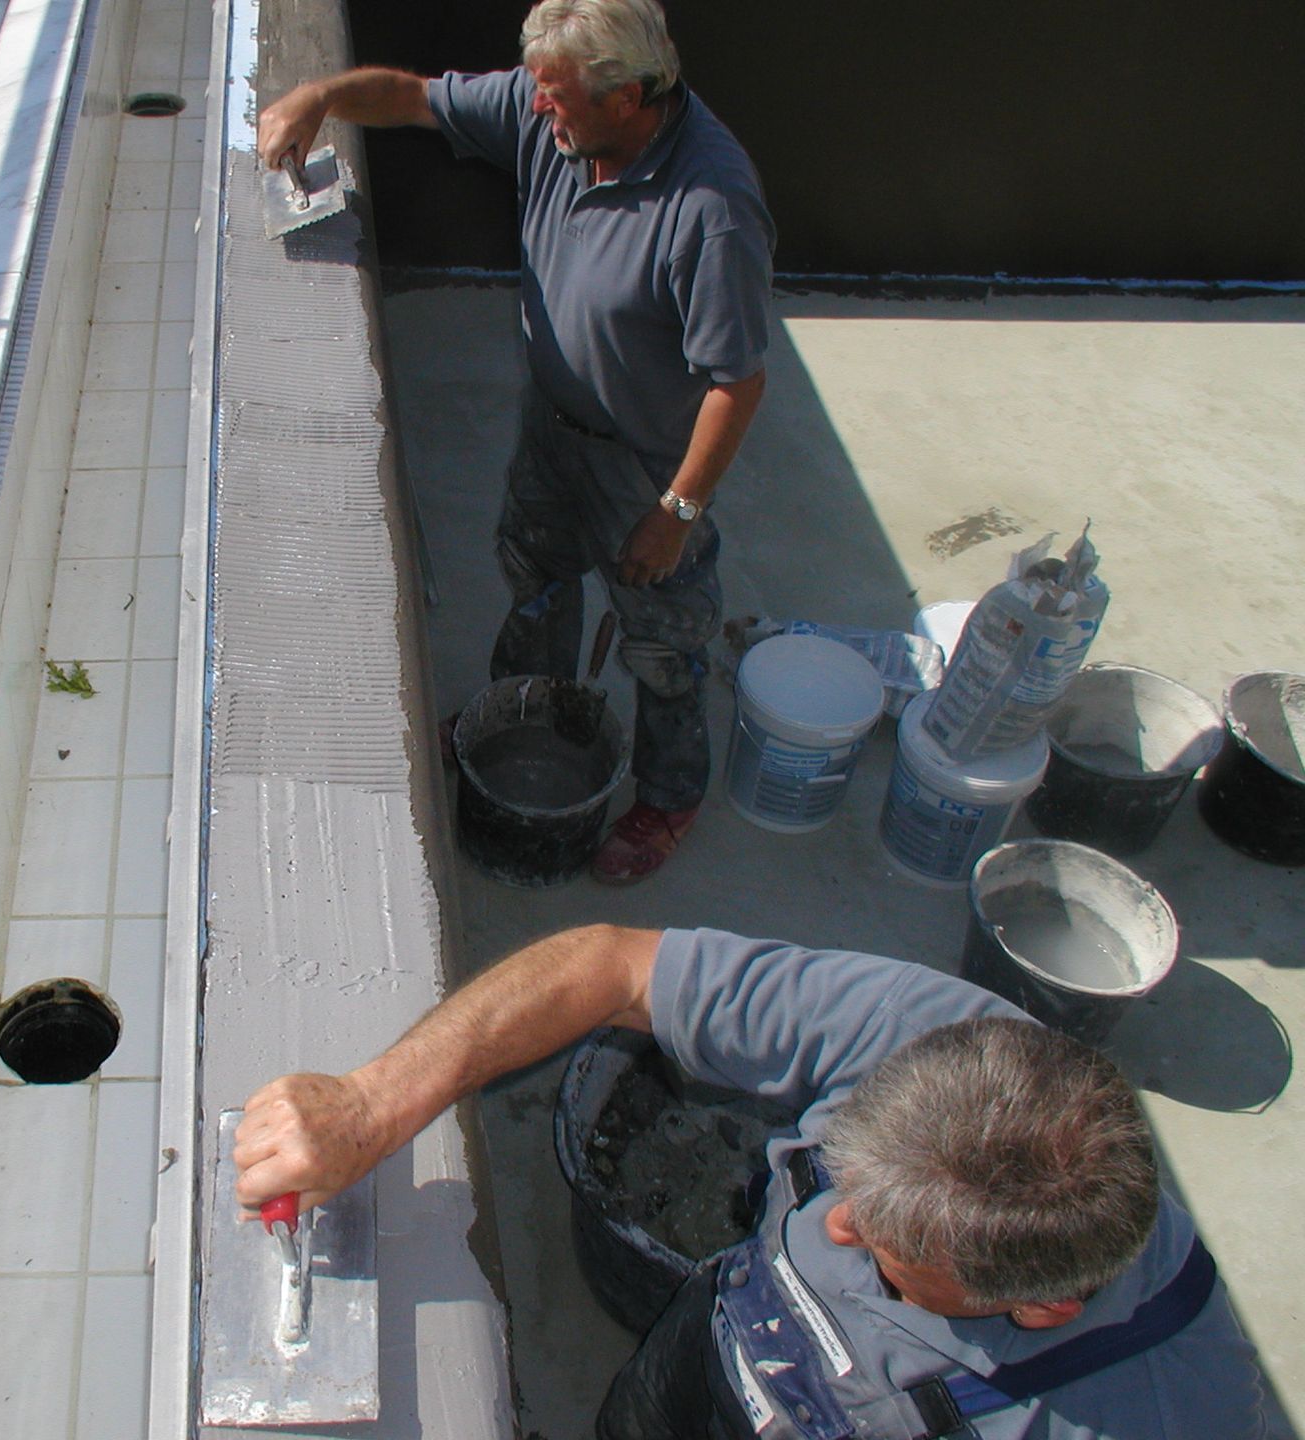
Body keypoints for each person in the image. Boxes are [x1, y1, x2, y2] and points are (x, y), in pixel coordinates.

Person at [234, 926, 1270, 1438]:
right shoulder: (946, 1037)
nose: (834, 1229)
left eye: (896, 1262)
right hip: (709, 1354)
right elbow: (613, 966)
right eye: (847, 1184)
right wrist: (374, 1104)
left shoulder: (1169, 1410)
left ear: (1041, 1305)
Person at [259, 0, 777, 885]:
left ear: (630, 97)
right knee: (536, 576)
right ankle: (525, 712)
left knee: (663, 645)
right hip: (553, 426)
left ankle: (668, 797)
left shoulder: (711, 208)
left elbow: (738, 382)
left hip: (647, 466)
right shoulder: (552, 114)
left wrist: (677, 511)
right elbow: (415, 98)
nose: (539, 110)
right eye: (536, 90)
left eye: (559, 97)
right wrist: (319, 95)